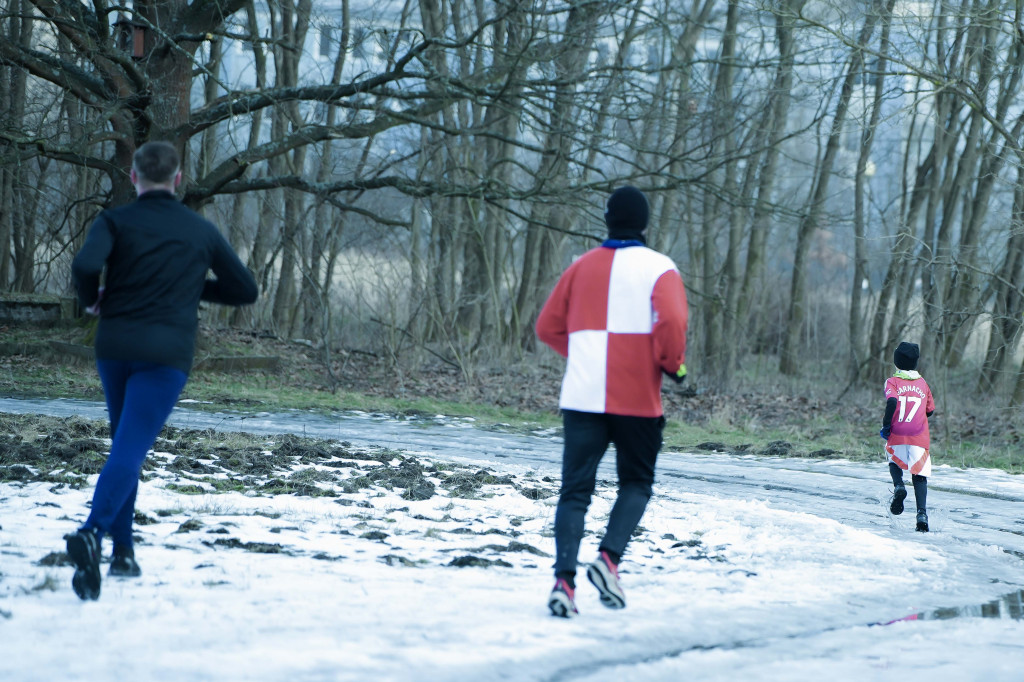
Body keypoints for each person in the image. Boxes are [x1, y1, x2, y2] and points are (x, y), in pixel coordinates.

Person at [65, 141, 258, 600]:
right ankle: (93, 533)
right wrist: (190, 290)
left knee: (123, 445)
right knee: (129, 450)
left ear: (133, 178)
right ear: (178, 179)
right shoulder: (199, 230)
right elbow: (245, 289)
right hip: (166, 354)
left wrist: (93, 298)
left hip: (115, 345)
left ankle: (123, 554)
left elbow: (85, 264)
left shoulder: (115, 220)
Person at [535, 186, 688, 617]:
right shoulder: (661, 268)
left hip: (582, 396)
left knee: (574, 493)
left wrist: (587, 354)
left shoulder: (579, 267)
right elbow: (673, 321)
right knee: (636, 484)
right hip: (637, 398)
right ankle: (608, 561)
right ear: (644, 223)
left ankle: (563, 583)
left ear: (607, 220)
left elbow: (547, 327)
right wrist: (672, 365)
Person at [880, 341, 935, 532]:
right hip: (919, 436)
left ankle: (899, 487)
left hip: (897, 433)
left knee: (893, 460)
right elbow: (930, 410)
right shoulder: (923, 384)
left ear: (897, 361)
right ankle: (922, 515)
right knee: (919, 475)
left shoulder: (892, 381)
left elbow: (892, 401)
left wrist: (887, 426)